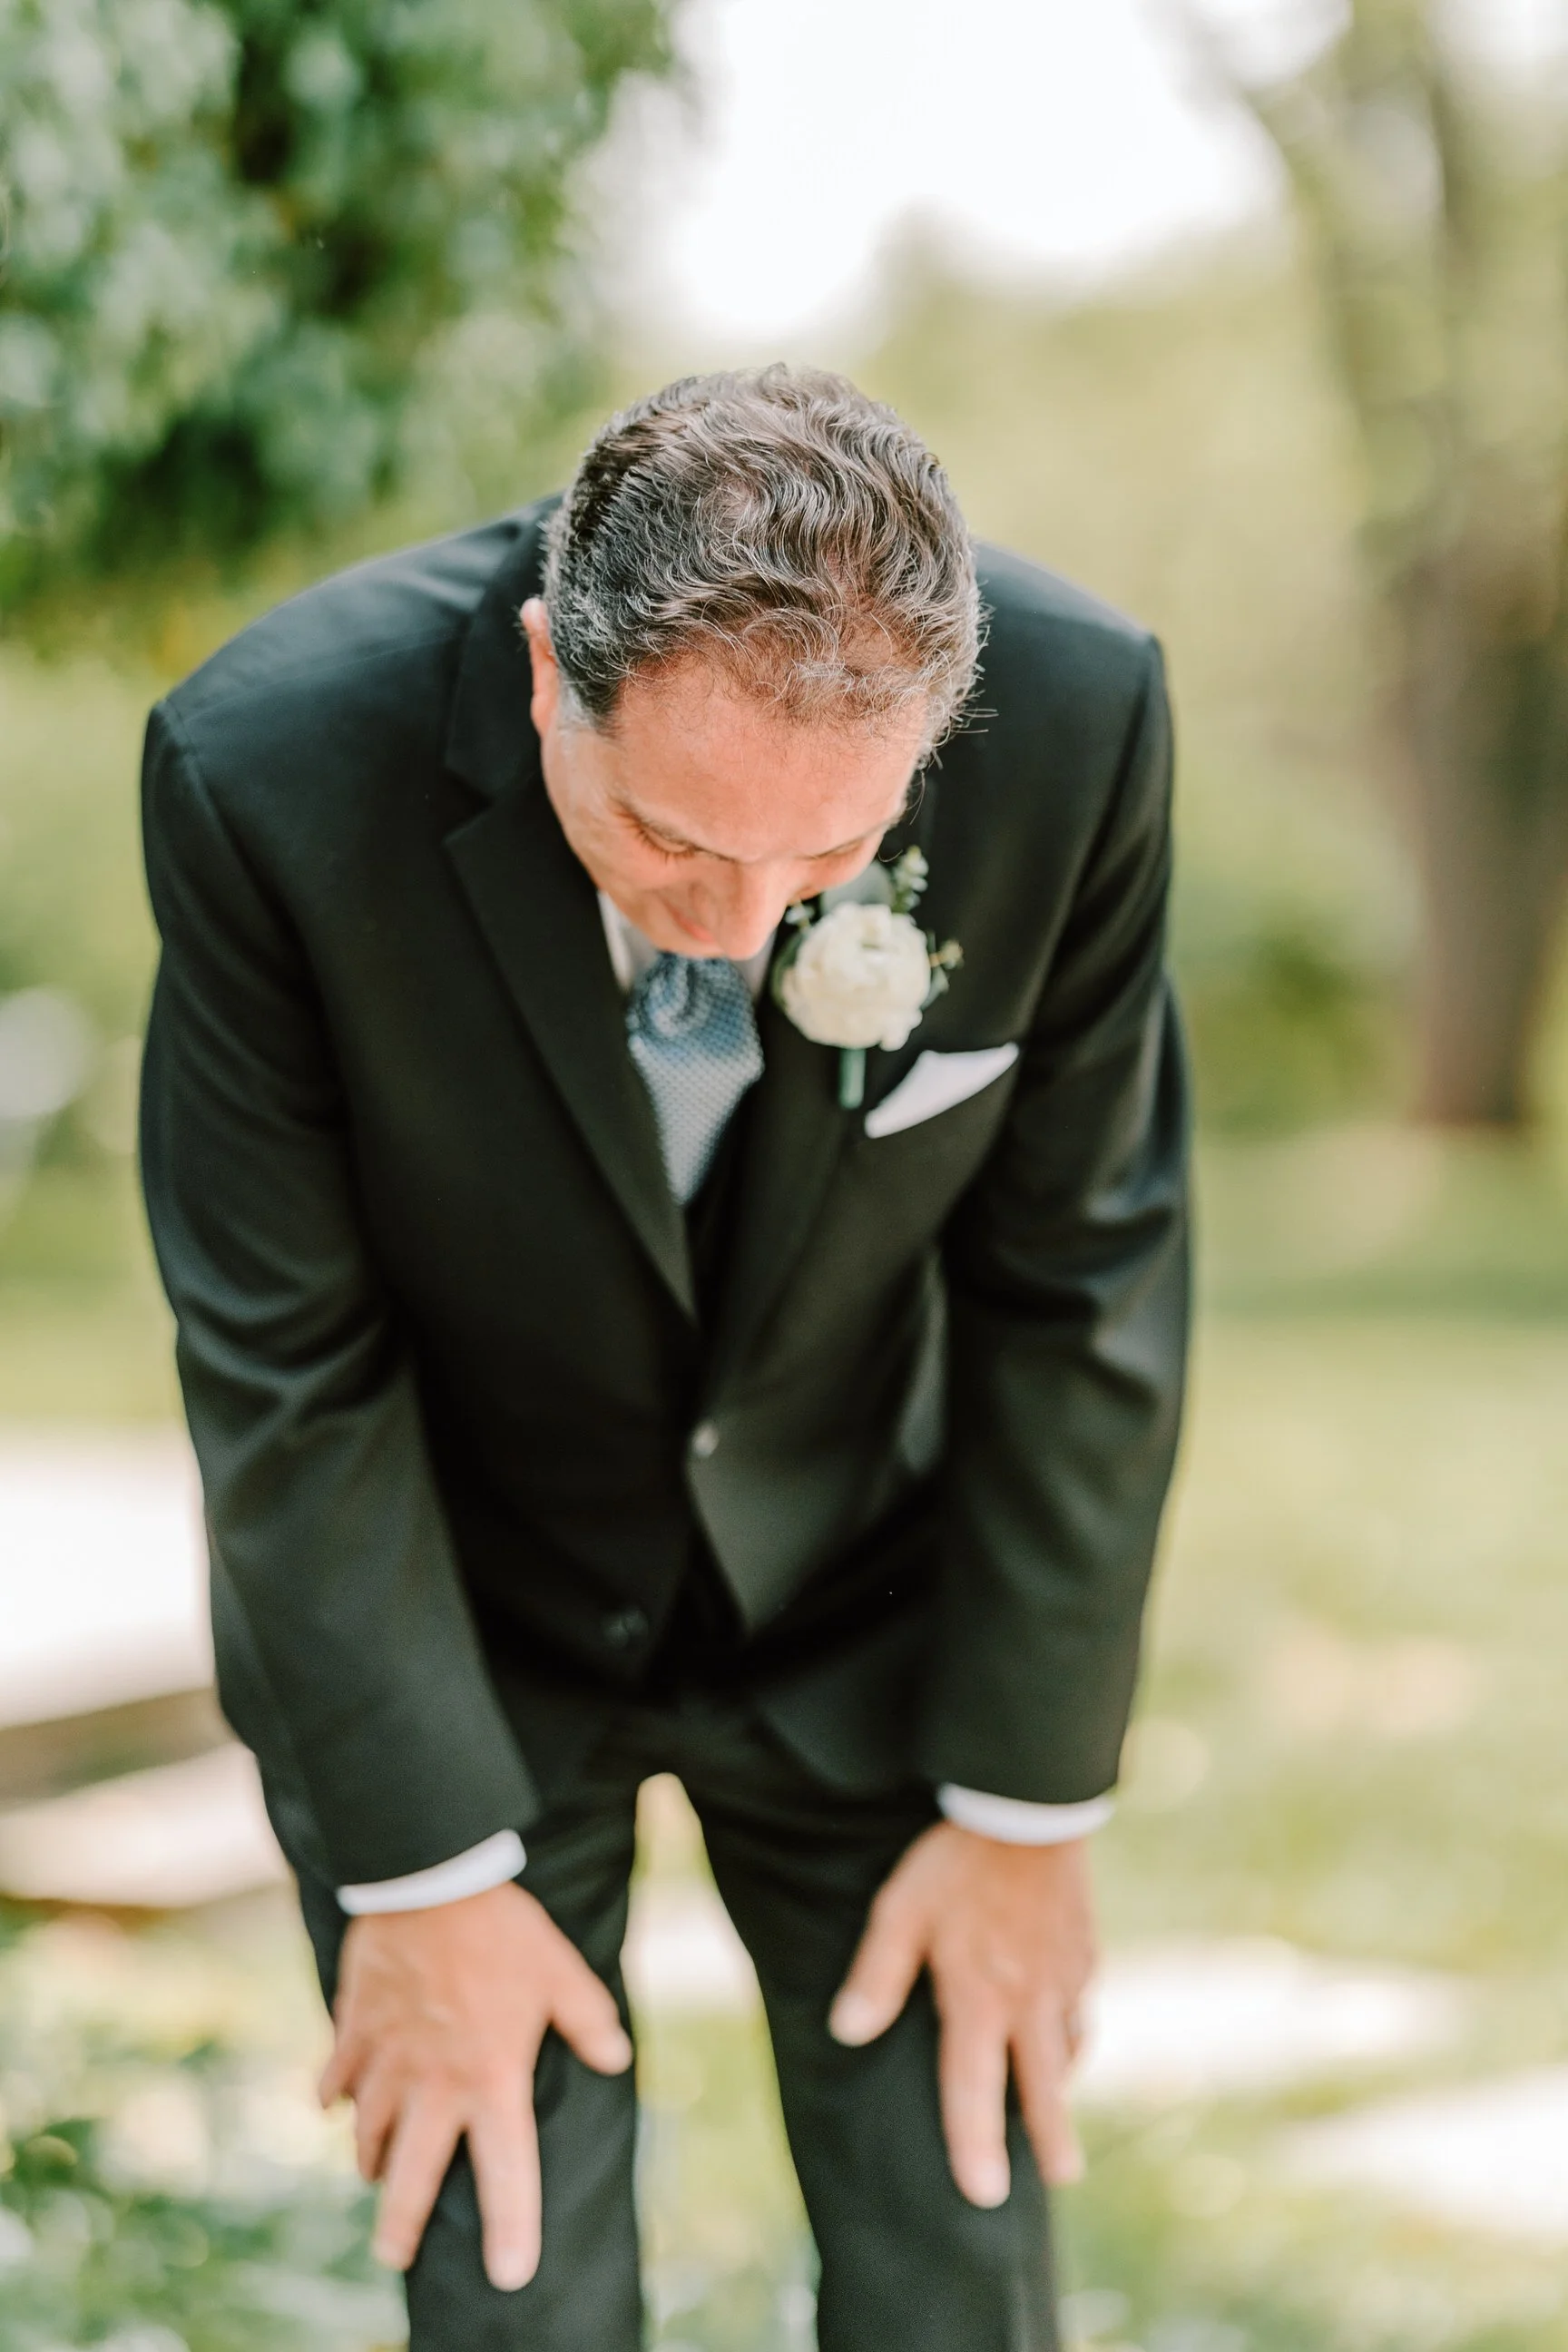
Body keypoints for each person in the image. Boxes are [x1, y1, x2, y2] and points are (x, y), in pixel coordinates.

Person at [140, 366, 1189, 2351]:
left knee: (961, 2260)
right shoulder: (262, 772)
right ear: (549, 673)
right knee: (511, 2277)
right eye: (674, 842)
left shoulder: (1082, 718)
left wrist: (1029, 1810)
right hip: (456, 1620)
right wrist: (422, 1868)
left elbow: (1086, 1277)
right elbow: (285, 1359)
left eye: (826, 863)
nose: (740, 925)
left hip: (873, 1593)